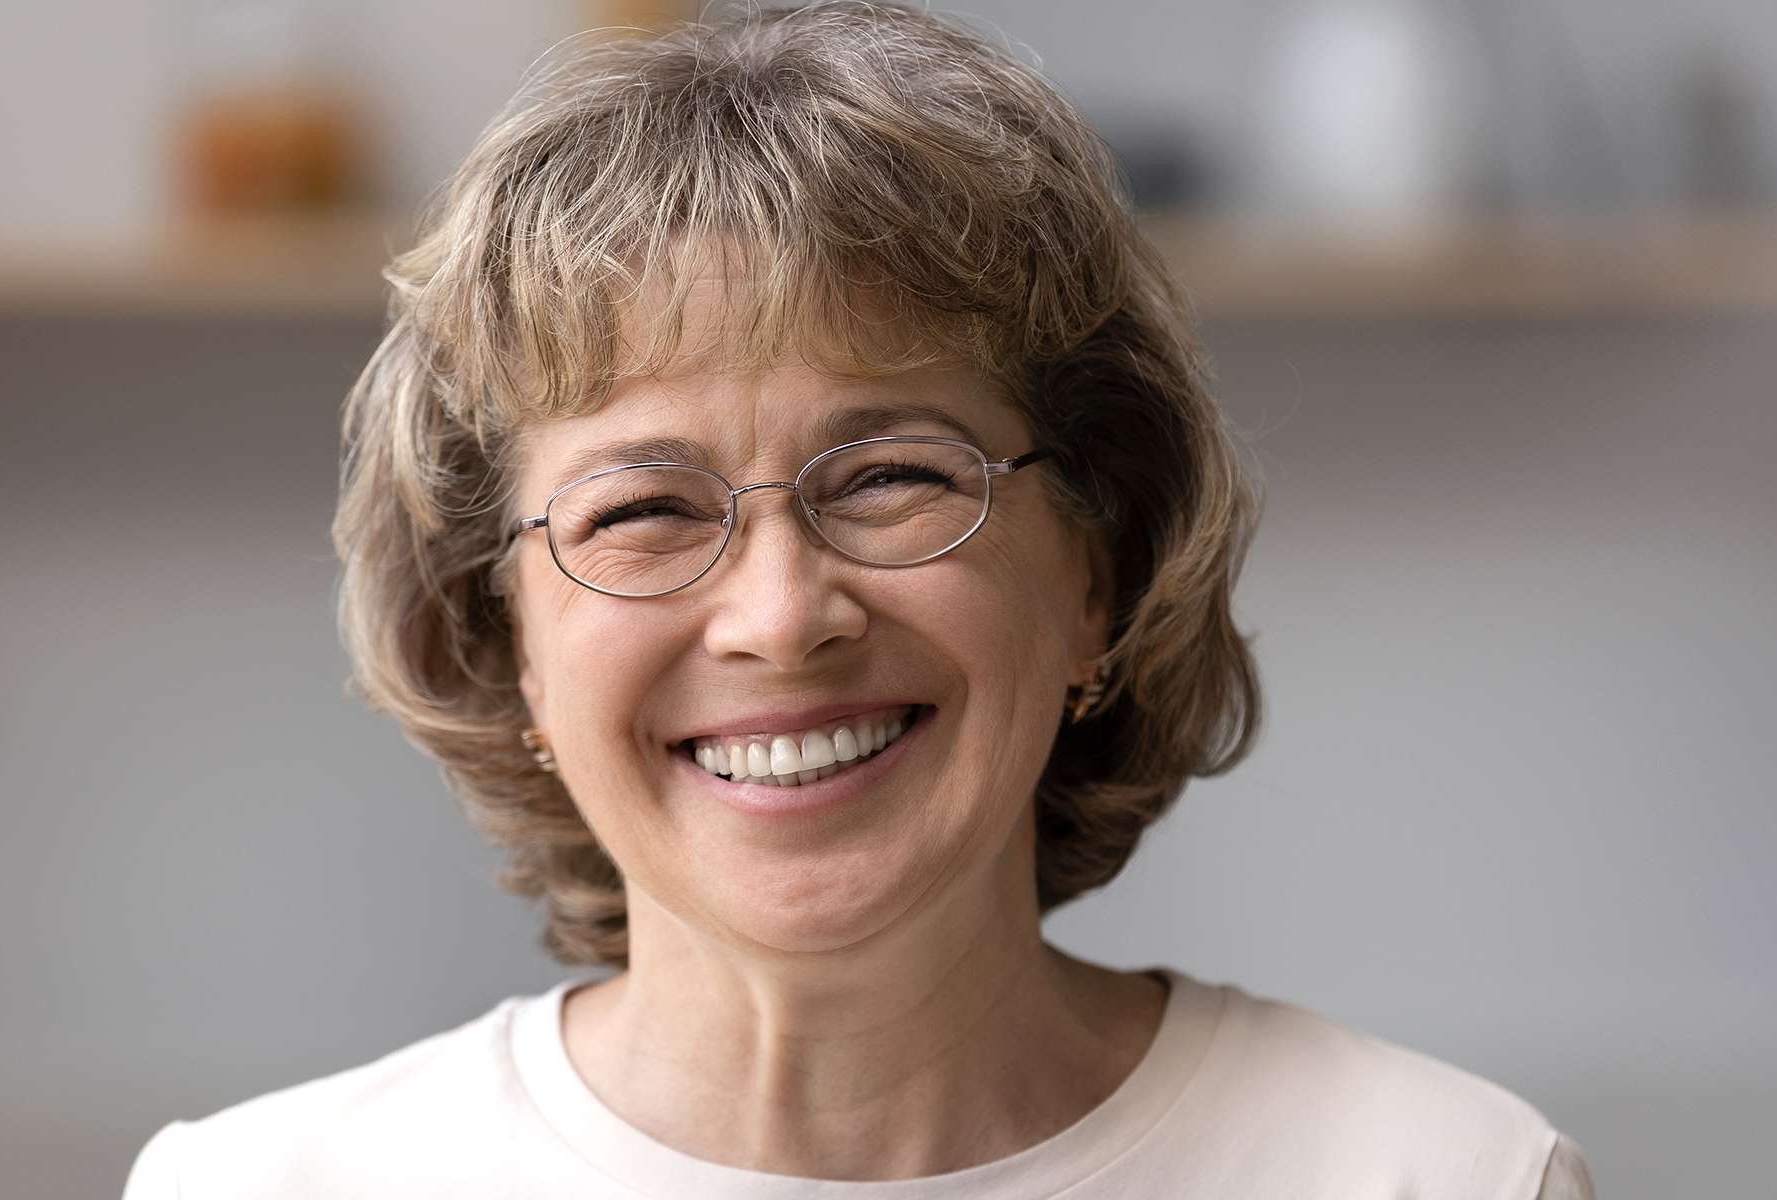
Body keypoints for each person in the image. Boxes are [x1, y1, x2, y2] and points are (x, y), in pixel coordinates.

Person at [125, 4, 1595, 1196]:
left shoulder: (1440, 1177)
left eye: (890, 476)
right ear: (505, 638)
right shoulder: (262, 1186)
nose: (781, 614)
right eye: (642, 510)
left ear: (1095, 572)